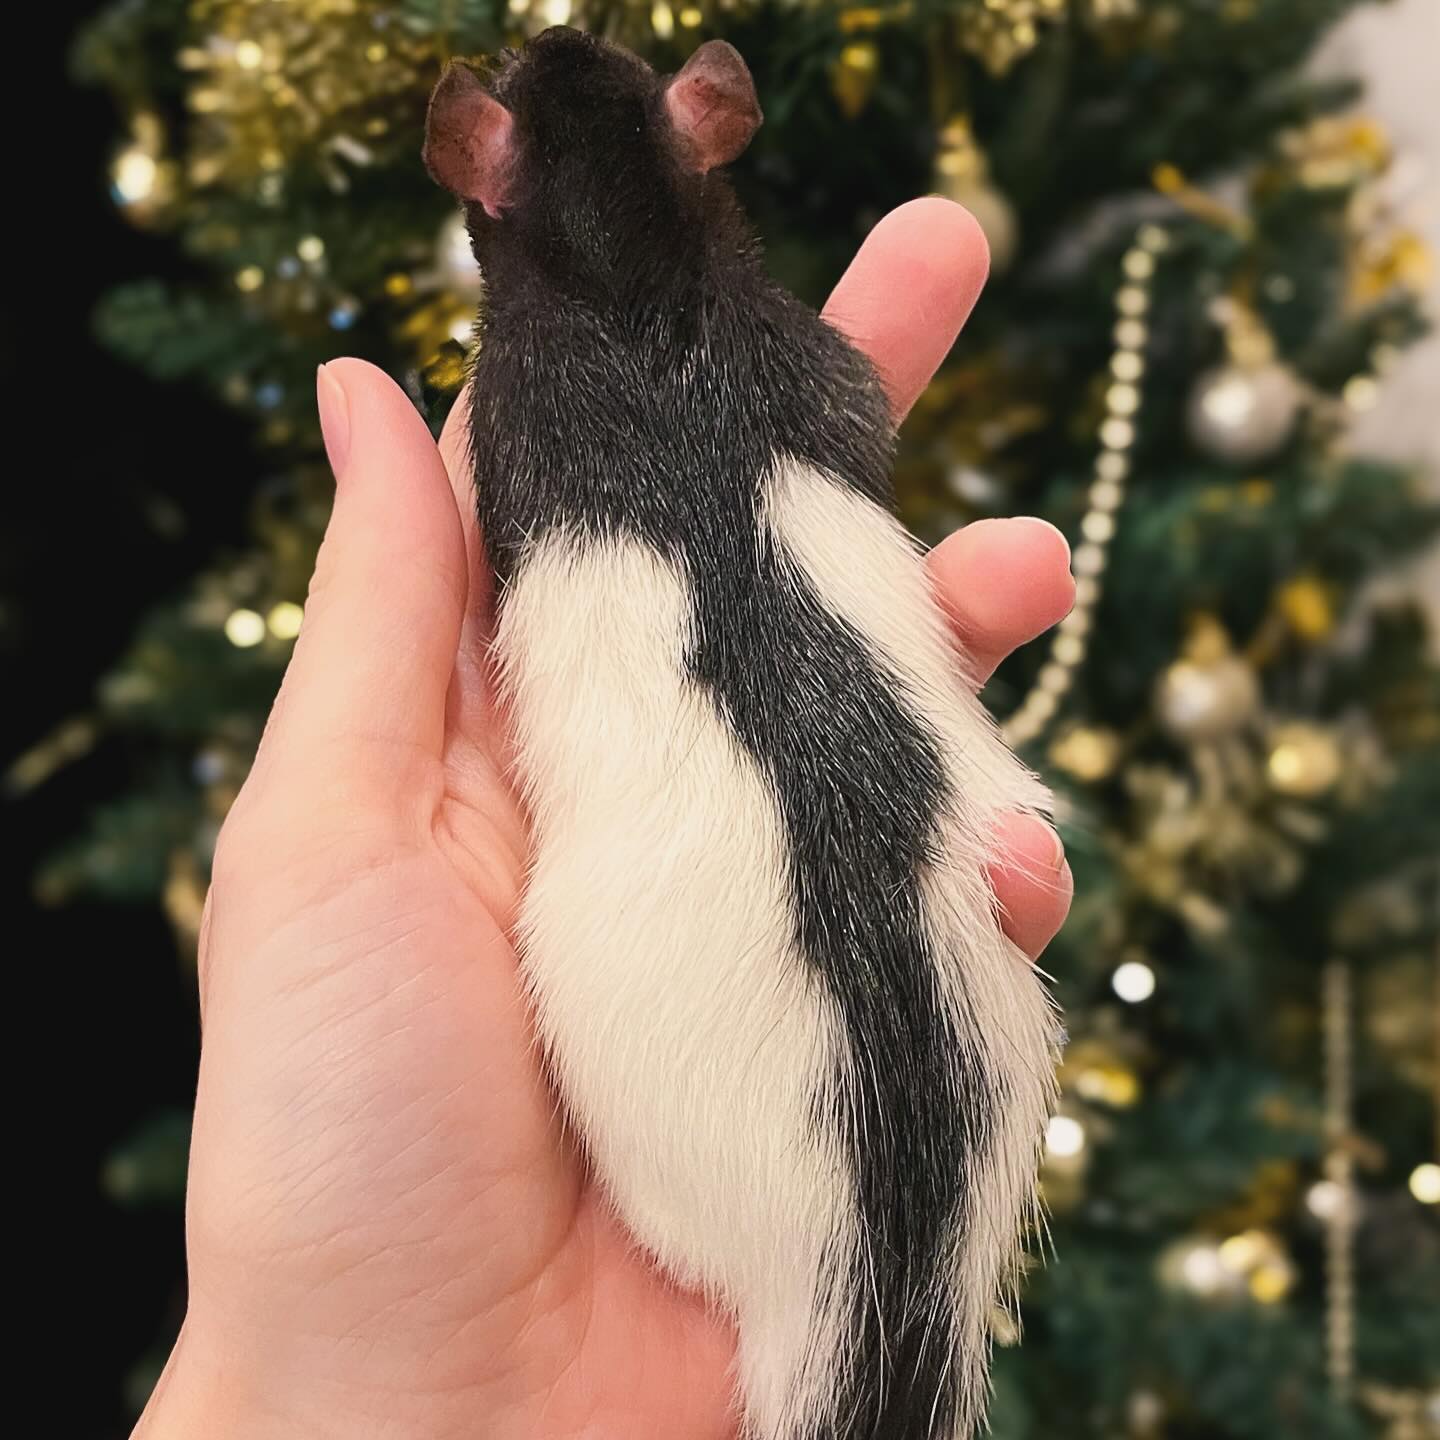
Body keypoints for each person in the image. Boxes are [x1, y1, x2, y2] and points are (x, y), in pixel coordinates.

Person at [134, 199, 1075, 1440]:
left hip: (697, 1087)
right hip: (788, 1059)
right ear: (705, 143)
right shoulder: (790, 369)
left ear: (479, 186)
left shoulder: (526, 422)